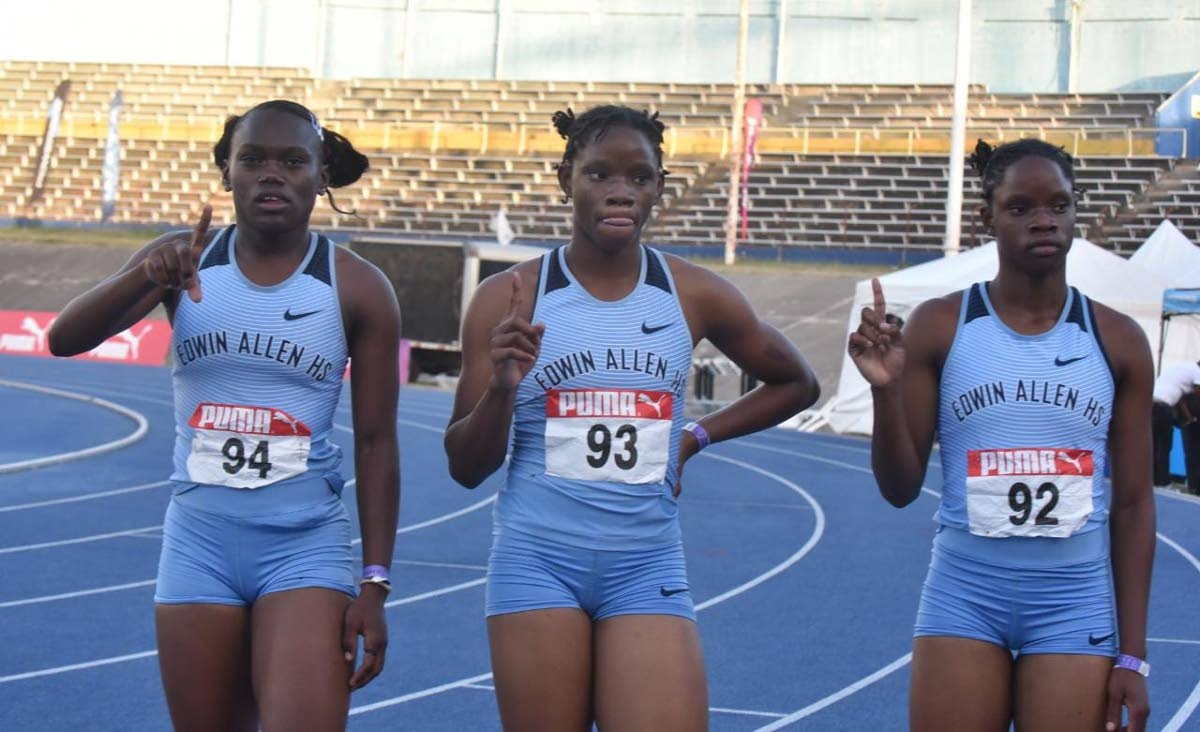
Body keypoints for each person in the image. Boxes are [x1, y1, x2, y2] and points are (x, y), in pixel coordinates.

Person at [444, 105, 819, 730]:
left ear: (659, 187)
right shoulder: (506, 299)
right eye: (599, 175)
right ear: (565, 179)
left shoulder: (693, 293)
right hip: (538, 560)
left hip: (646, 561)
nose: (620, 191)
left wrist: (695, 438)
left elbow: (796, 383)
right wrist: (504, 389)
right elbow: (465, 468)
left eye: (639, 177)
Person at [47, 100, 401, 731]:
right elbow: (65, 340)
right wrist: (146, 279)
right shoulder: (179, 261)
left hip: (303, 545)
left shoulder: (357, 286)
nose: (272, 174)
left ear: (321, 176)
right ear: (226, 173)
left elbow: (376, 442)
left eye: (293, 161)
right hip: (199, 543)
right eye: (253, 159)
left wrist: (375, 582)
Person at [849, 139, 1155, 732]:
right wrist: (885, 392)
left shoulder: (1118, 340)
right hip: (964, 595)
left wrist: (1133, 656)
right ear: (986, 215)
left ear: (1075, 212)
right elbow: (899, 488)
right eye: (1020, 208)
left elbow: (1137, 503)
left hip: (1074, 602)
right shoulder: (941, 325)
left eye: (1058, 205)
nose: (1043, 220)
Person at [1151, 359, 1200, 493]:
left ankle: (1154, 480)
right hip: (1163, 408)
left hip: (1151, 403)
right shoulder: (1196, 371)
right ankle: (1164, 482)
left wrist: (1190, 418)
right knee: (1165, 447)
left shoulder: (1180, 369)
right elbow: (1198, 390)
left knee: (1154, 445)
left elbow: (1180, 401)